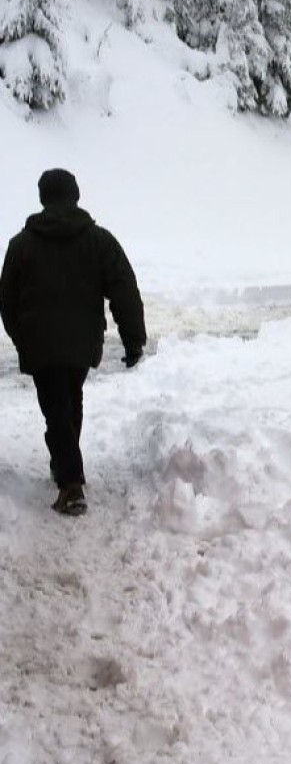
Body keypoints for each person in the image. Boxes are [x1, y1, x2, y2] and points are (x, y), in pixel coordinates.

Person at [0, 168, 146, 517]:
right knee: (68, 401)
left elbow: (6, 300)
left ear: (43, 198)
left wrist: (23, 339)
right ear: (76, 195)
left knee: (57, 407)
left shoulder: (21, 245)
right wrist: (133, 339)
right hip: (82, 344)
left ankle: (70, 483)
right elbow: (123, 288)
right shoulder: (99, 241)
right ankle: (66, 466)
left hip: (40, 344)